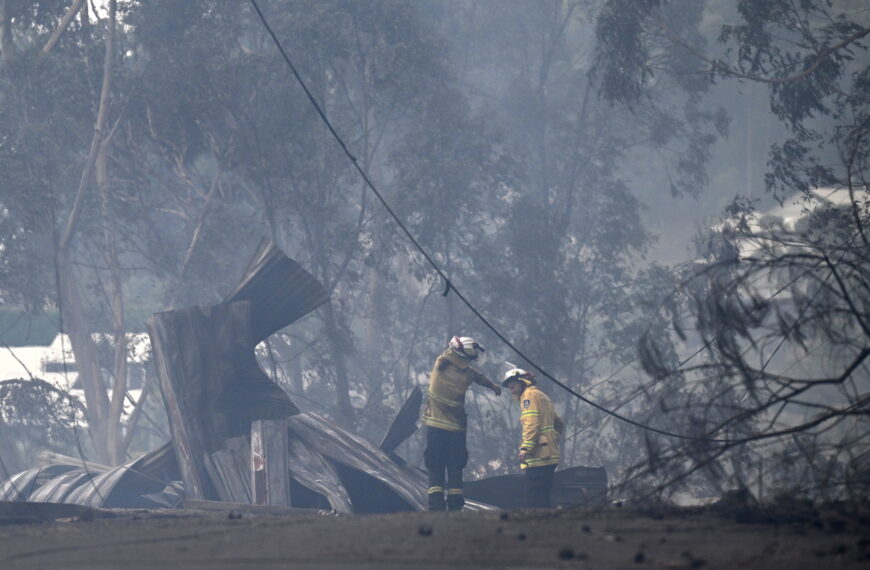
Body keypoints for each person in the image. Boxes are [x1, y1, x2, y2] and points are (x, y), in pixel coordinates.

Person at [421, 336, 501, 511]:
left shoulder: (440, 364)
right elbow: (477, 376)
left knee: (435, 465)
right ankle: (455, 504)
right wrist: (492, 385)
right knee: (455, 466)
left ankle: (436, 504)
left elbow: (451, 354)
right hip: (457, 430)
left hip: (436, 428)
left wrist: (457, 344)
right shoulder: (467, 375)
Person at [501, 368, 564, 508]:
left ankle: (536, 521)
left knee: (533, 498)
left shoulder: (528, 396)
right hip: (549, 455)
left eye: (512, 385)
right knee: (544, 496)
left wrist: (525, 448)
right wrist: (553, 439)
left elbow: (532, 424)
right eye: (509, 387)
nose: (511, 389)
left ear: (522, 381)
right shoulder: (542, 396)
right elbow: (559, 423)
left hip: (538, 456)